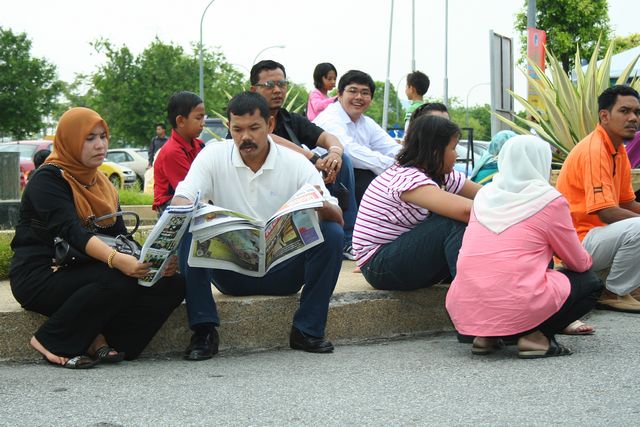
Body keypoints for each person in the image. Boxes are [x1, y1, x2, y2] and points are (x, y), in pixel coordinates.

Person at [9, 107, 185, 369]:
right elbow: (73, 232)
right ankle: (51, 340)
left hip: (83, 270)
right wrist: (118, 261)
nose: (100, 145)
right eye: (89, 138)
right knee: (117, 276)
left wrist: (154, 263)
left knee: (172, 285)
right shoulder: (47, 179)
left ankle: (107, 340)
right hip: (41, 275)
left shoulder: (102, 184)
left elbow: (120, 237)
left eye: (103, 136)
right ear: (70, 141)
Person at [174, 92, 344, 360]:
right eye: (237, 129)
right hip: (231, 272)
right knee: (189, 224)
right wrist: (188, 206)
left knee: (331, 233)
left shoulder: (295, 163)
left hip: (283, 271)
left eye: (254, 128)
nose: (246, 137)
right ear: (229, 127)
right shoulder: (213, 155)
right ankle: (204, 331)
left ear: (270, 125)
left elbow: (338, 216)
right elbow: (183, 196)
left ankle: (307, 330)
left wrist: (317, 204)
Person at [446, 136, 603, 358]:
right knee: (590, 282)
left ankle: (486, 337)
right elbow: (578, 262)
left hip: (466, 308)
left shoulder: (484, 196)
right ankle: (535, 338)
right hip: (517, 303)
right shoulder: (549, 200)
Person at [352, 114, 480, 292]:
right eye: (453, 148)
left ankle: (477, 281)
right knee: (451, 222)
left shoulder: (439, 174)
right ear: (435, 151)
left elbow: (485, 195)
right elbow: (466, 211)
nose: (456, 155)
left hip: (399, 254)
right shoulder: (407, 178)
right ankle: (471, 294)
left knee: (464, 218)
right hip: (378, 266)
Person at [248, 60, 357, 259]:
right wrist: (312, 158)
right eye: (270, 85)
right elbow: (267, 138)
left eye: (282, 84)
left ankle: (347, 240)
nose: (277, 90)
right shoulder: (246, 119)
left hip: (302, 189)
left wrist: (334, 153)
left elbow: (328, 137)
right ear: (253, 89)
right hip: (267, 195)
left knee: (343, 161)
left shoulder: (290, 120)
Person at [557, 85, 640, 313]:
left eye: (637, 112)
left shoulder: (618, 150)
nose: (633, 118)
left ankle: (629, 287)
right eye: (624, 111)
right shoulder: (595, 150)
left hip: (597, 240)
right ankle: (613, 292)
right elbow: (607, 212)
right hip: (577, 245)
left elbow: (627, 203)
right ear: (604, 116)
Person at [314, 70, 402, 205]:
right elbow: (349, 151)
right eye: (353, 91)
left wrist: (411, 163)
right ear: (339, 94)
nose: (359, 97)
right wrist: (392, 167)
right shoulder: (329, 119)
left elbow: (391, 148)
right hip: (324, 187)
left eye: (365, 93)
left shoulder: (367, 123)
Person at [153, 91, 205, 216]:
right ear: (181, 121)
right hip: (171, 204)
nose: (203, 123)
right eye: (198, 118)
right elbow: (189, 190)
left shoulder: (199, 145)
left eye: (204, 117)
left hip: (193, 197)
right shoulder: (172, 152)